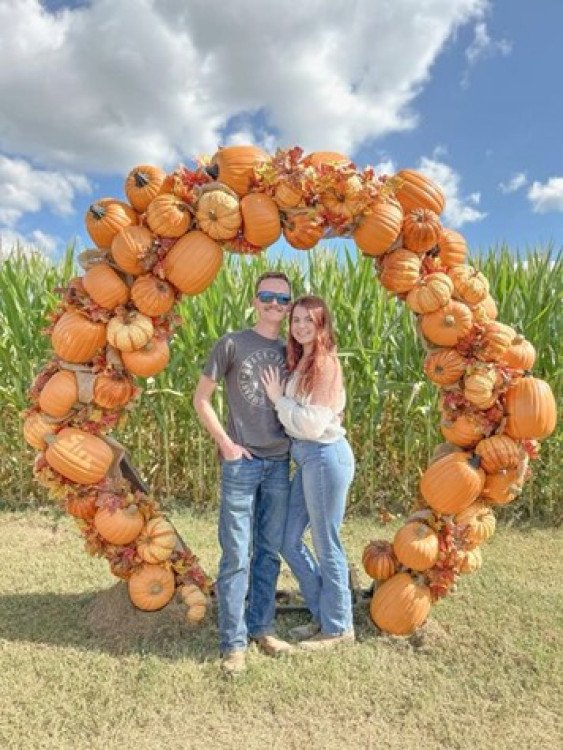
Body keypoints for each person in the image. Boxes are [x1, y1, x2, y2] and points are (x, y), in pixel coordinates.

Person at [193, 271, 294, 676]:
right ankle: (233, 643)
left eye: (282, 299)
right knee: (236, 555)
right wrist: (227, 445)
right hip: (242, 464)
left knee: (268, 552)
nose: (274, 304)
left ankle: (262, 627)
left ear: (289, 307)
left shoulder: (293, 350)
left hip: (279, 464)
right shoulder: (231, 344)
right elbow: (202, 399)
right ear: (254, 300)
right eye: (267, 296)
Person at [261, 295, 355, 650]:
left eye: (308, 321)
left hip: (325, 457)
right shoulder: (303, 361)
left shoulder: (326, 364)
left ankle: (338, 627)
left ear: (322, 325)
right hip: (309, 459)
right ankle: (322, 613)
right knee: (287, 538)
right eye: (295, 320)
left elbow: (313, 425)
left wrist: (277, 400)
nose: (300, 326)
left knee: (326, 542)